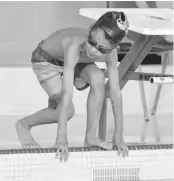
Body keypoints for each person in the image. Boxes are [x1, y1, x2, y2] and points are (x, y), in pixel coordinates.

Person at [15, 11, 129, 162]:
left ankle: (90, 137)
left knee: (98, 77)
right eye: (92, 41)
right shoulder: (74, 44)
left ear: (113, 48)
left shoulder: (111, 53)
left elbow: (115, 92)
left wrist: (119, 135)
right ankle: (23, 124)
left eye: (102, 49)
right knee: (67, 110)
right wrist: (61, 137)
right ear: (90, 29)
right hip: (47, 60)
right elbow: (68, 94)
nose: (93, 50)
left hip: (76, 61)